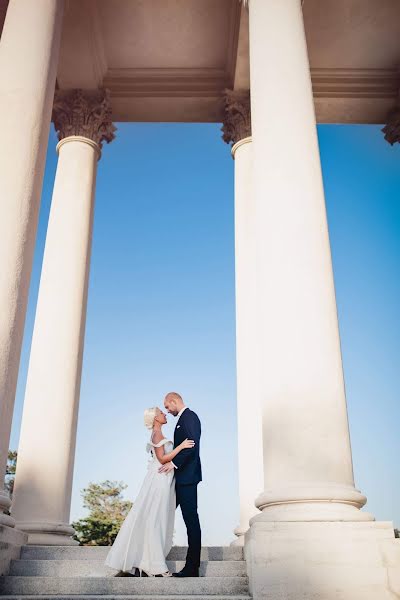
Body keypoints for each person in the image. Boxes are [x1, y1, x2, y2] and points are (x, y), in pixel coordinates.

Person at [104, 406, 195, 577]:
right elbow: (162, 459)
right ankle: (154, 564)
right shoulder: (157, 434)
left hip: (165, 479)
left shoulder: (157, 433)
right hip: (160, 480)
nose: (164, 414)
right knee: (156, 518)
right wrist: (181, 446)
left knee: (157, 517)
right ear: (155, 418)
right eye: (161, 412)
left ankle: (145, 561)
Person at [159, 392, 202, 578]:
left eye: (167, 407)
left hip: (188, 479)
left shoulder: (189, 417)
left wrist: (173, 463)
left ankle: (192, 567)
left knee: (191, 521)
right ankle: (150, 557)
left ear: (174, 401)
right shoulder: (182, 419)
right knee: (161, 513)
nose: (167, 411)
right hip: (179, 478)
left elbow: (192, 445)